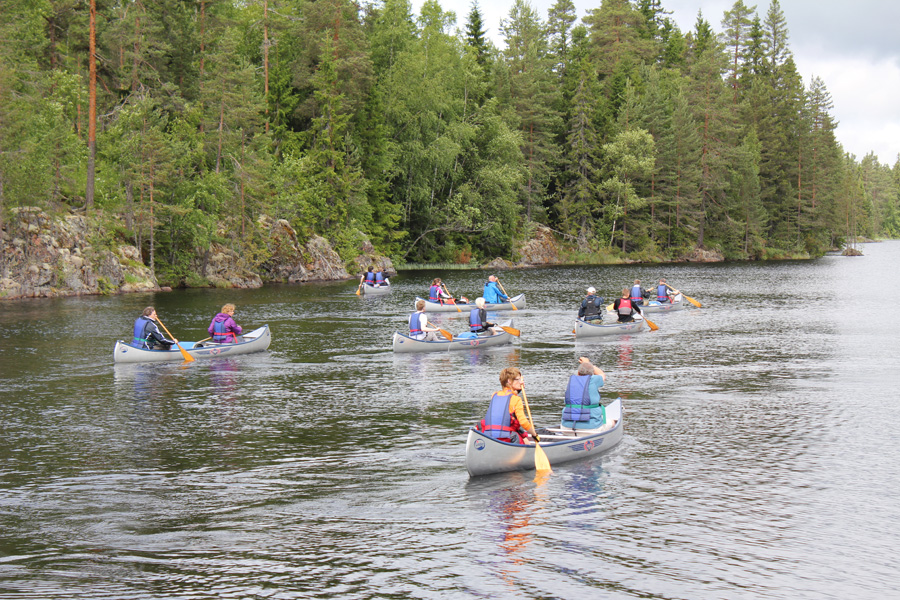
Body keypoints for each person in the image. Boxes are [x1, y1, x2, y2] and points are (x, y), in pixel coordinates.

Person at [478, 367, 538, 445]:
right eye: (518, 380)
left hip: (489, 435)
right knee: (527, 442)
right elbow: (523, 422)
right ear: (509, 381)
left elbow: (507, 399)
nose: (521, 382)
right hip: (507, 437)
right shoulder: (516, 399)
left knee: (524, 438)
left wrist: (519, 389)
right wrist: (534, 434)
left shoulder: (494, 395)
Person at [561, 357, 608, 430]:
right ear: (592, 373)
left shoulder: (572, 380)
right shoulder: (594, 379)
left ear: (578, 373)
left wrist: (585, 364)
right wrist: (588, 363)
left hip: (566, 427)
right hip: (591, 428)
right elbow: (602, 374)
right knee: (612, 422)